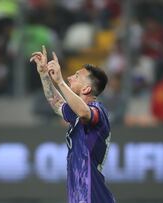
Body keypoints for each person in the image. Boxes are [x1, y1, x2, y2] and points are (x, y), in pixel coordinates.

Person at [30, 46, 115, 203]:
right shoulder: (76, 115)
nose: (70, 78)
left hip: (94, 197)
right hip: (79, 196)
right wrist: (44, 74)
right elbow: (56, 103)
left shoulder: (98, 111)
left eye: (76, 76)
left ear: (87, 88)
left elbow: (84, 113)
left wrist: (60, 82)